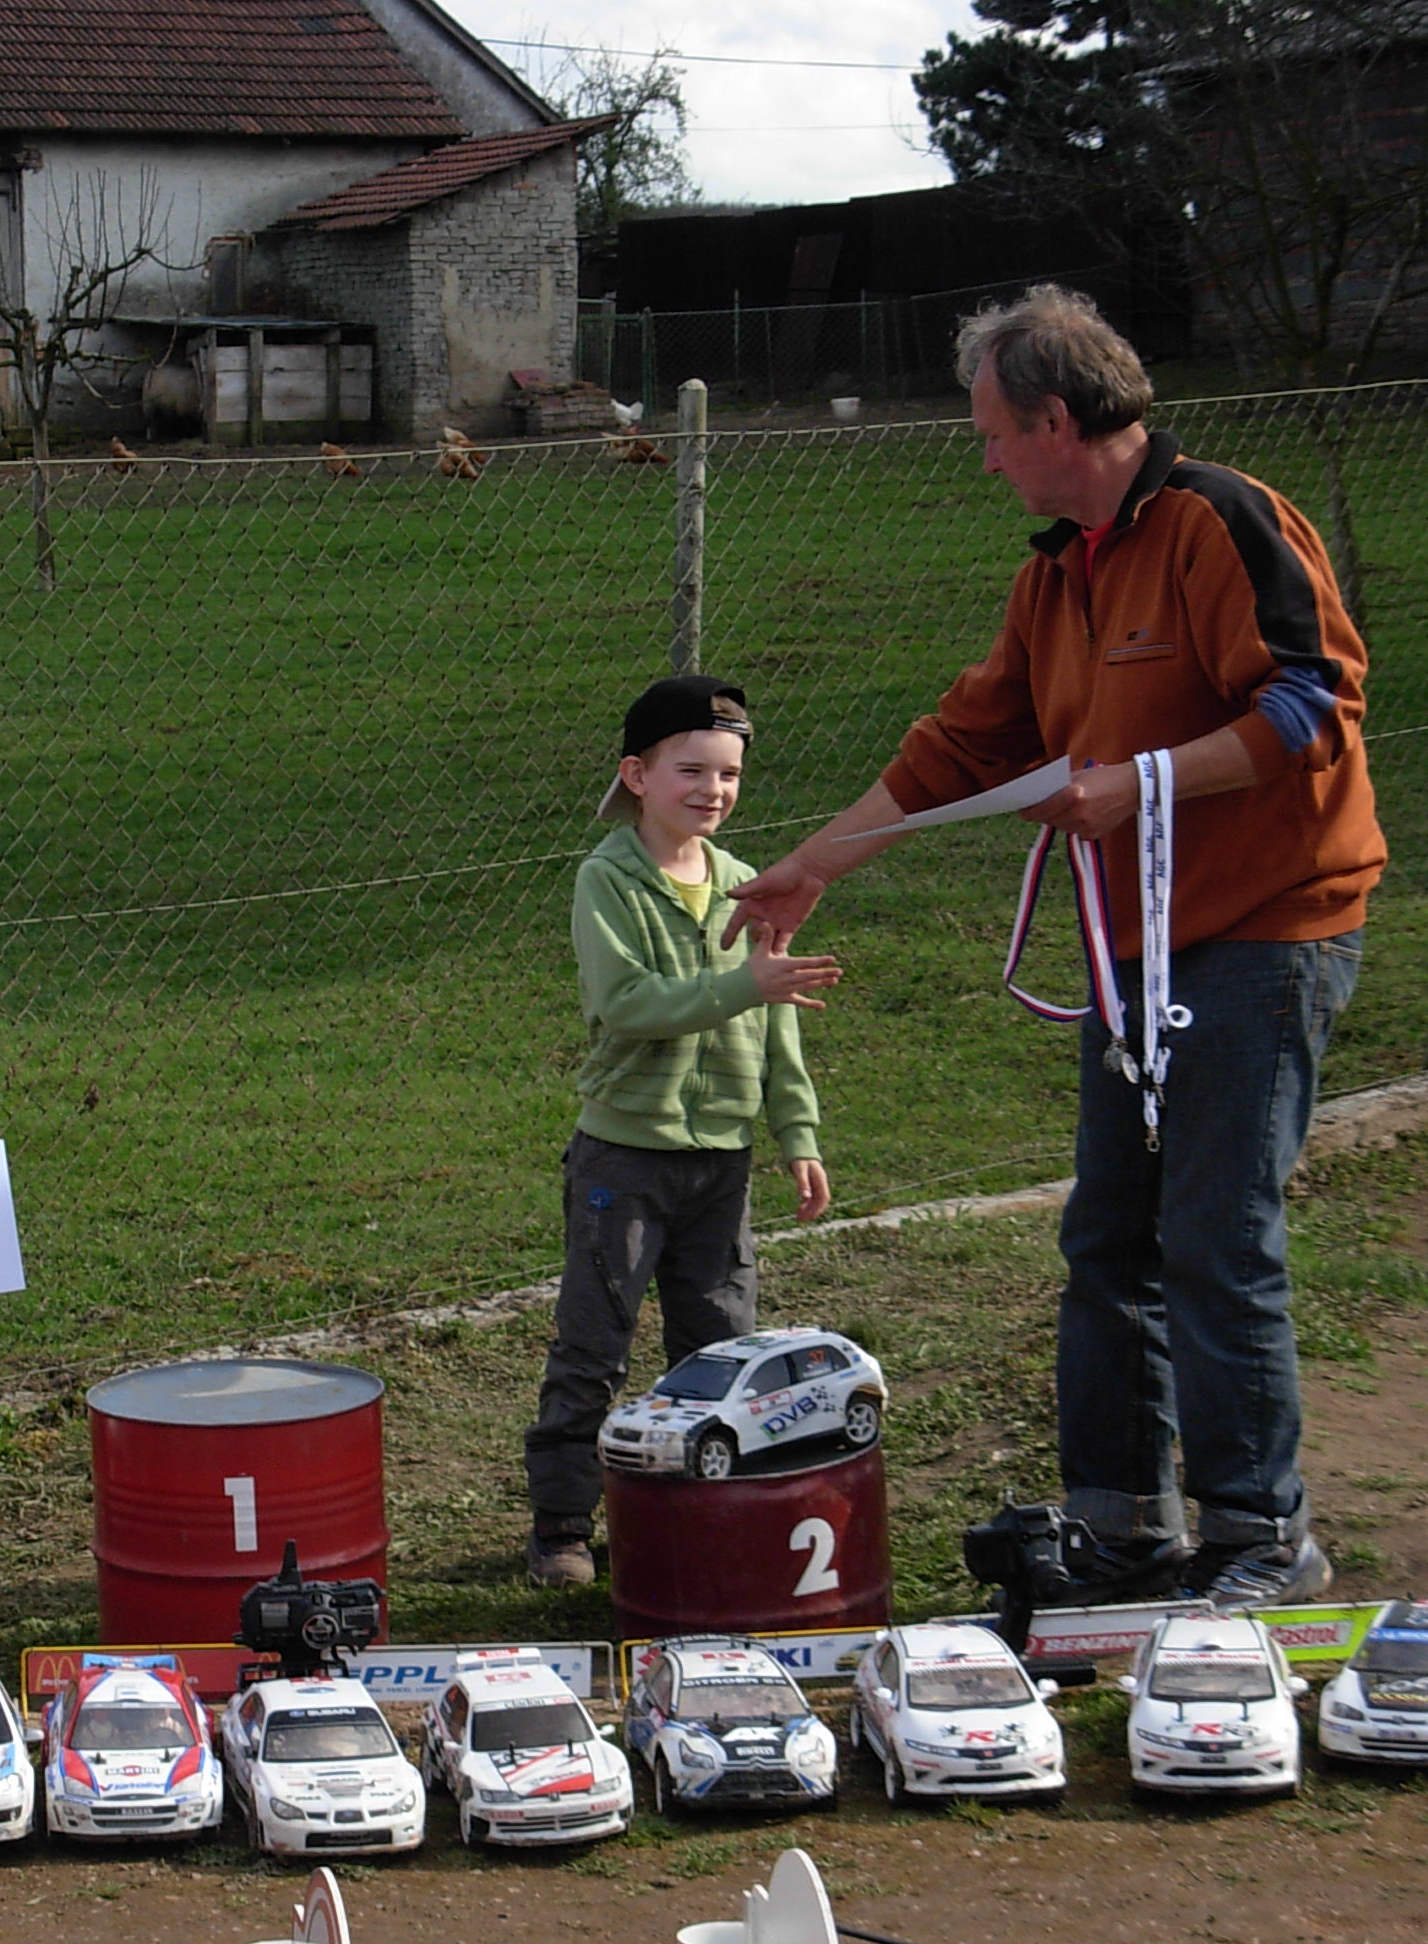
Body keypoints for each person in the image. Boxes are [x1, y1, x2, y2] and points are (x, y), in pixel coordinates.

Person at [725, 285, 1383, 1610]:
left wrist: (1143, 784)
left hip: (1264, 935)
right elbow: (969, 742)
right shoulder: (1056, 572)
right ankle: (1122, 1528)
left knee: (1214, 1235)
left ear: (1057, 419)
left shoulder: (1221, 521)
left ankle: (1261, 1536)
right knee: (1110, 1237)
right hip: (1132, 947)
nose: (983, 460)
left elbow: (1316, 703)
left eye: (991, 433)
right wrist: (814, 864)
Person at [523, 675, 841, 1588]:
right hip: (623, 1161)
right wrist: (748, 985)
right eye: (691, 770)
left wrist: (798, 1132)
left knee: (719, 1351)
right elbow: (626, 1006)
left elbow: (778, 1030)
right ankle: (562, 1527)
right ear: (638, 775)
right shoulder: (607, 881)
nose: (713, 789)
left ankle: (698, 1507)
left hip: (723, 1165)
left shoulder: (750, 884)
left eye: (730, 774)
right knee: (595, 1342)